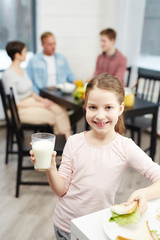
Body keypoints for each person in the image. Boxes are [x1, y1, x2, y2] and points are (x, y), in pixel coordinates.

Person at [30, 73, 160, 240]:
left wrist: (144, 193)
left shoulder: (125, 147)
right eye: (93, 107)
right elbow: (61, 190)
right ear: (85, 107)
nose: (99, 115)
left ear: (120, 109)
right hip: (64, 225)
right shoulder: (74, 142)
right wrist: (50, 168)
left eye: (108, 107)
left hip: (96, 227)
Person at [3, 41, 71, 139]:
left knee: (60, 109)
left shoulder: (21, 70)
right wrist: (41, 105)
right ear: (17, 55)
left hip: (31, 101)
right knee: (53, 115)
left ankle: (68, 144)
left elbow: (30, 92)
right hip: (19, 109)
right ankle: (59, 148)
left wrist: (43, 100)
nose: (26, 54)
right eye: (25, 51)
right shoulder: (9, 75)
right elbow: (16, 104)